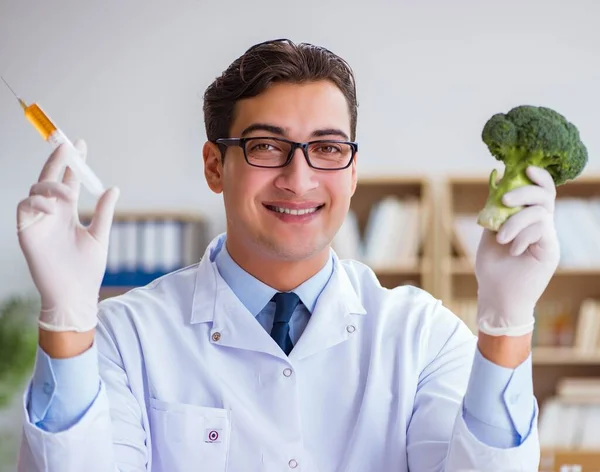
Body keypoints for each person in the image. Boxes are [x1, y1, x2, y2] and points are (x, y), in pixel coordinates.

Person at [16, 38, 559, 471]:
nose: (298, 180)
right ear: (214, 166)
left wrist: (507, 326)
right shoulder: (123, 335)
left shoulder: (423, 337)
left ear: (351, 172)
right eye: (267, 146)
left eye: (327, 148)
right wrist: (65, 323)